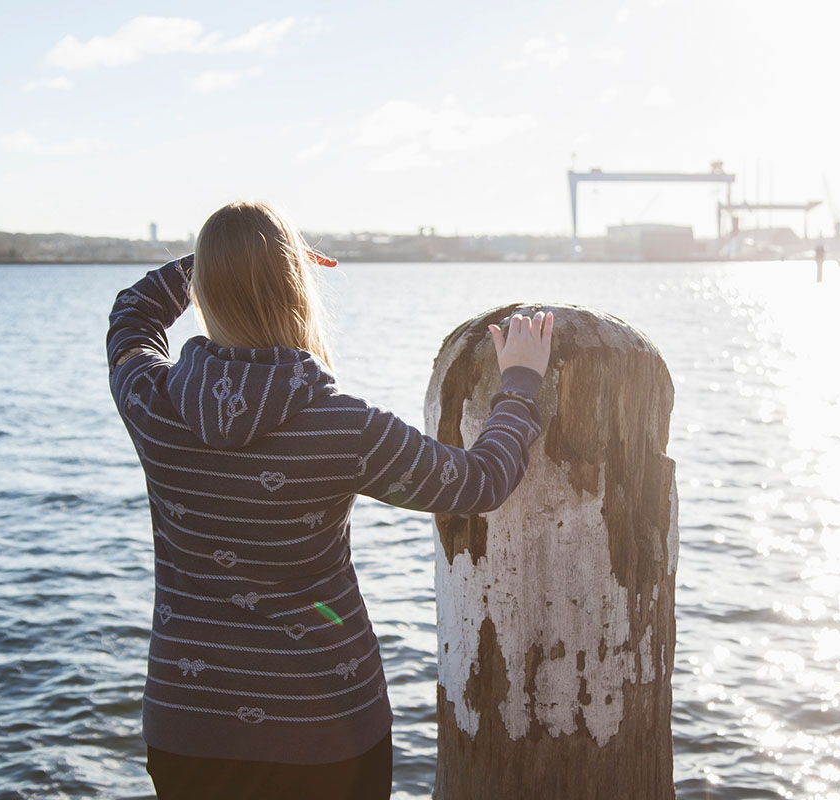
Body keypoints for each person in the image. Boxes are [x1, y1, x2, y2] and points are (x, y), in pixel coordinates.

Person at [105, 200, 554, 799]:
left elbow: (130, 316)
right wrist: (520, 385)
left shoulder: (151, 402)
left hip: (187, 726)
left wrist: (219, 261)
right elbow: (479, 483)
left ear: (204, 290)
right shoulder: (344, 428)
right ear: (298, 290)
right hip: (327, 730)